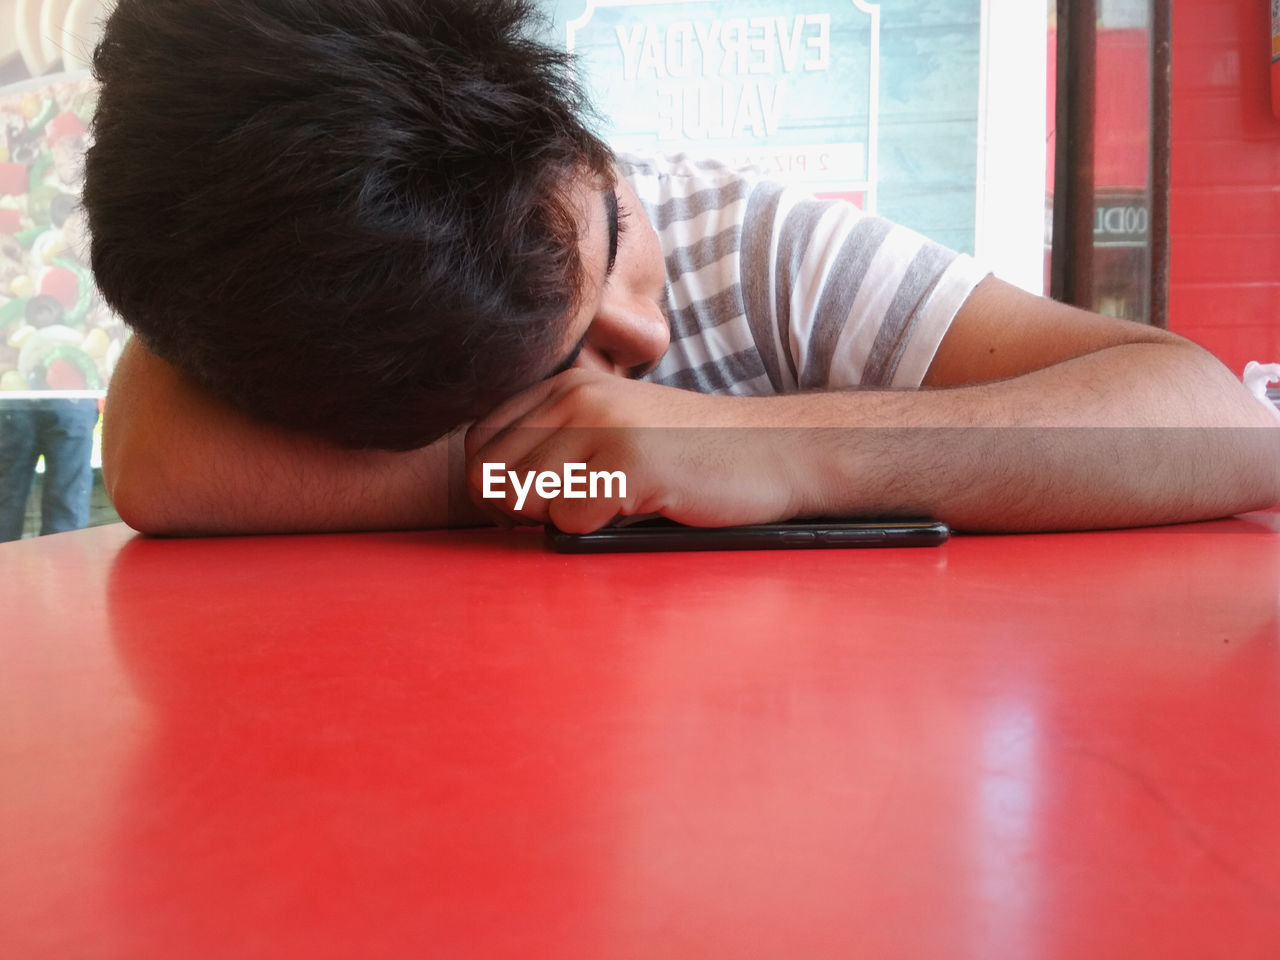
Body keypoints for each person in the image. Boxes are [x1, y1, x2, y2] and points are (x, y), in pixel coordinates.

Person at [84, 0, 1280, 537]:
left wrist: (786, 451)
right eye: (569, 357)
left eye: (608, 230)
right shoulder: (316, 304)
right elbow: (154, 460)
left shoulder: (741, 242)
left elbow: (1221, 427)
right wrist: (536, 480)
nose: (641, 336)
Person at [0, 398, 100, 541]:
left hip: (17, 397)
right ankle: (61, 561)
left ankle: (4, 559)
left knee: (6, 500)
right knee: (66, 509)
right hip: (71, 398)